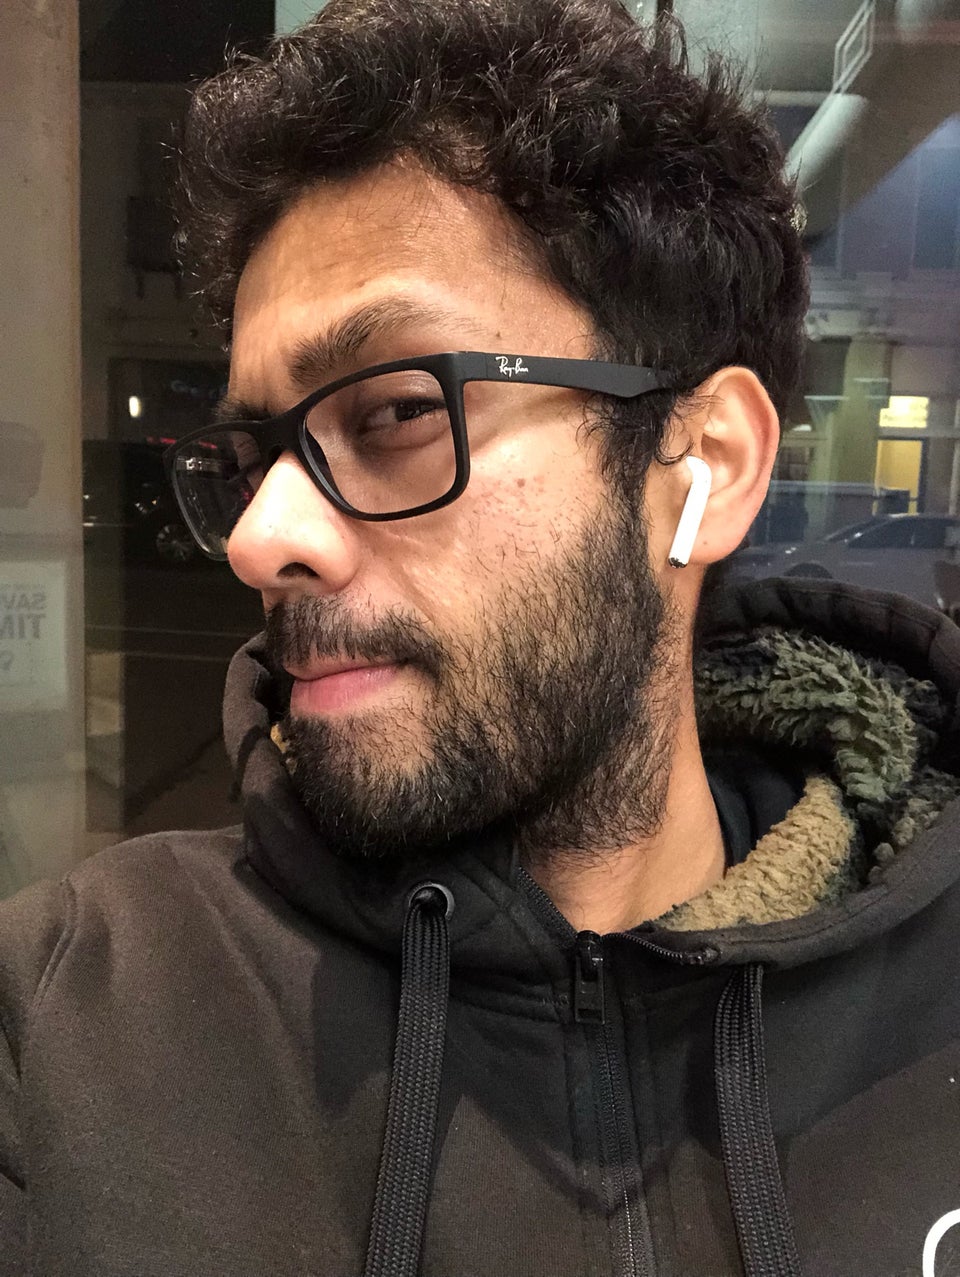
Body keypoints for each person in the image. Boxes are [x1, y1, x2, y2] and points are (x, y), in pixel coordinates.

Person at [3, 1, 960, 1273]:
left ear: (706, 462)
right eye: (254, 454)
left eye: (398, 410)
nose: (260, 537)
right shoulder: (72, 1019)